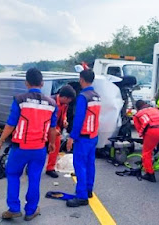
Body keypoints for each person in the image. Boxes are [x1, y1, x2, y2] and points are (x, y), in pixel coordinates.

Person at [0, 68, 57, 221]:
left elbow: (10, 124)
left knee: (13, 175)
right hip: (40, 148)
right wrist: (52, 143)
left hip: (20, 148)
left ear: (26, 83)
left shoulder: (20, 100)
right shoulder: (52, 103)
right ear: (42, 83)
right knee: (34, 178)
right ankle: (31, 210)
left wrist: (0, 141)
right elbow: (53, 128)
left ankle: (14, 208)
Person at [66, 69, 101, 207]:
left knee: (79, 165)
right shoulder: (96, 96)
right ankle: (88, 190)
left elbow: (79, 119)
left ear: (81, 79)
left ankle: (81, 196)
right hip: (93, 136)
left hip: (83, 137)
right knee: (90, 164)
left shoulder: (83, 97)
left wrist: (72, 137)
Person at [45, 85, 76, 178]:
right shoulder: (50, 102)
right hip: (46, 127)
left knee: (56, 146)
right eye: (69, 100)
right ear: (65, 98)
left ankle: (50, 168)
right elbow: (46, 117)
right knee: (39, 147)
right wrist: (53, 130)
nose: (69, 102)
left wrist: (64, 120)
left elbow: (64, 114)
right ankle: (30, 167)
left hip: (57, 127)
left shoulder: (65, 104)